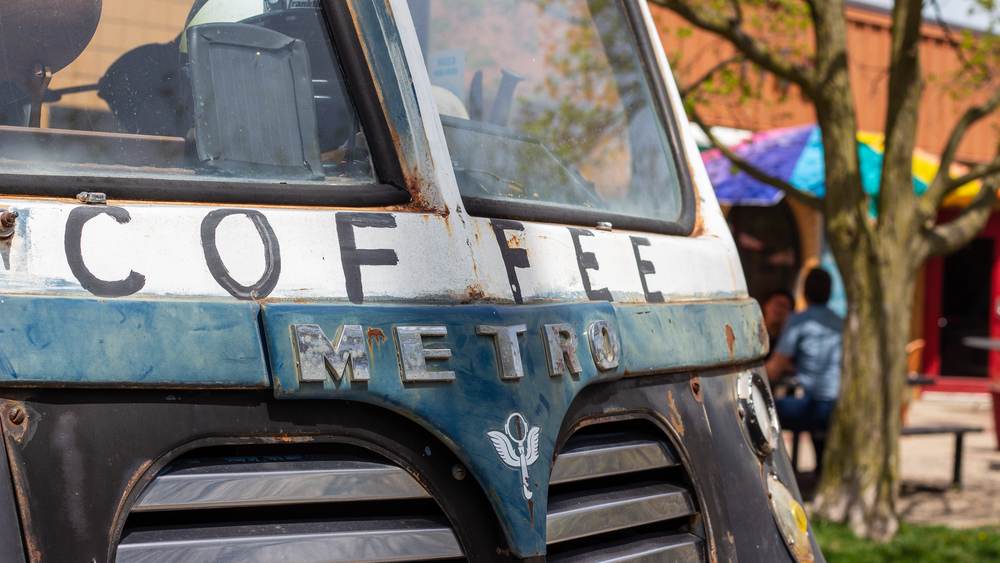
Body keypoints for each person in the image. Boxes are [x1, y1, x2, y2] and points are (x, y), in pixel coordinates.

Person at [765, 268, 842, 472]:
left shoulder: (800, 320)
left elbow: (772, 371)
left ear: (804, 292)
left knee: (762, 411)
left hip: (815, 406)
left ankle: (778, 474)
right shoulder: (840, 322)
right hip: (839, 405)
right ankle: (821, 472)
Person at [760, 288, 794, 359]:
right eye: (777, 303)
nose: (779, 309)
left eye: (784, 306)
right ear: (765, 305)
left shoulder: (790, 340)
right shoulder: (750, 332)